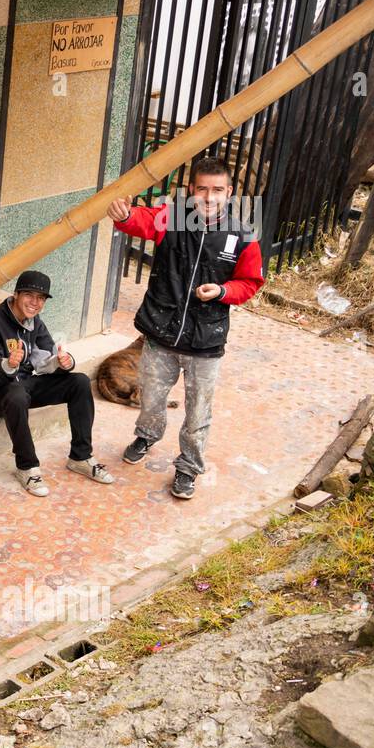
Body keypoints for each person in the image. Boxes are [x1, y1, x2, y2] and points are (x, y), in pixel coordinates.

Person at [107, 155, 265, 499]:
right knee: (151, 397)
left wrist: (223, 292)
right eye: (203, 189)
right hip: (161, 334)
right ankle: (147, 436)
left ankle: (188, 468)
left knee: (197, 413)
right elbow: (141, 221)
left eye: (218, 190)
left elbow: (250, 282)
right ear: (191, 190)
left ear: (230, 193)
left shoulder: (243, 234)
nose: (209, 197)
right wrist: (124, 215)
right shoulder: (173, 217)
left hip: (206, 342)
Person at [0, 270, 114, 497]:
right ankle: (27, 468)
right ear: (16, 294)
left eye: (41, 298)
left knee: (79, 382)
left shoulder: (34, 322)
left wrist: (63, 362)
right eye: (30, 295)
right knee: (15, 393)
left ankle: (80, 457)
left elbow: (45, 361)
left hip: (21, 387)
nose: (35, 303)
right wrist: (8, 364)